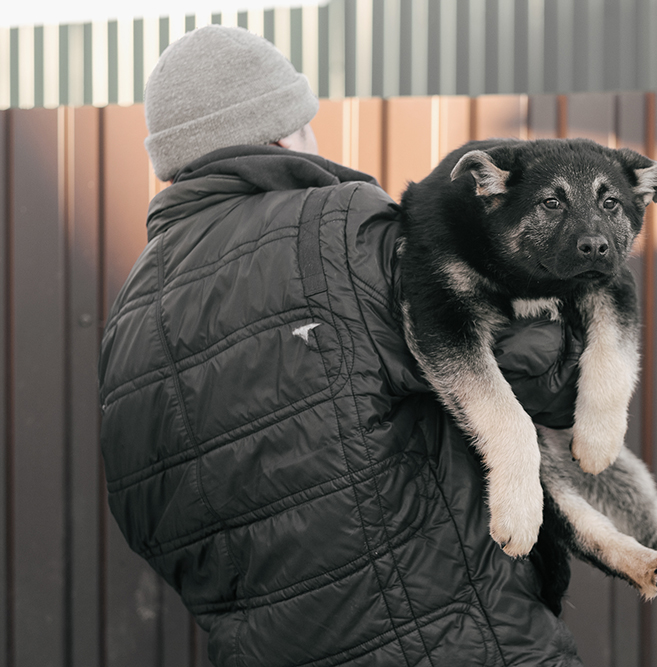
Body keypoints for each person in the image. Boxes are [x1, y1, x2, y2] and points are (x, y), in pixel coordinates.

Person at [99, 25, 584, 666]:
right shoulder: (338, 229)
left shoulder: (128, 324)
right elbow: (546, 377)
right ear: (282, 132)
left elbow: (150, 521)